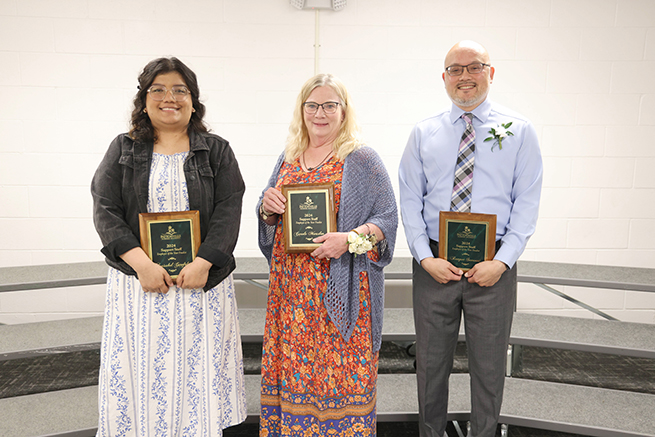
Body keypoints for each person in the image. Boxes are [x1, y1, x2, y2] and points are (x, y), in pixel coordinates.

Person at [91, 57, 247, 436]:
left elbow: (230, 207)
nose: (169, 97)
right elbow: (104, 206)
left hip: (201, 286)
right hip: (141, 287)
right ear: (144, 101)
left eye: (180, 90)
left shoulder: (216, 150)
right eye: (158, 89)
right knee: (141, 377)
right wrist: (141, 264)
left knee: (196, 379)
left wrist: (205, 262)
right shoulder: (123, 148)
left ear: (193, 101)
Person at [398, 41, 543, 437]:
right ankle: (431, 432)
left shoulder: (519, 131)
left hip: (493, 267)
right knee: (430, 364)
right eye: (455, 69)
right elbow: (409, 199)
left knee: (489, 365)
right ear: (444, 78)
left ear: (490, 73)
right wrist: (424, 257)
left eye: (474, 67)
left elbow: (526, 202)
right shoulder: (423, 133)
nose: (465, 76)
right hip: (434, 265)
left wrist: (503, 261)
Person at [257, 73, 398, 436]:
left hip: (341, 295)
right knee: (296, 382)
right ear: (302, 110)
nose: (320, 113)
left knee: (341, 382)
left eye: (330, 105)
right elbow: (271, 218)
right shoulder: (288, 157)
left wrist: (349, 240)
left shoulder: (361, 158)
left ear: (343, 110)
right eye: (312, 105)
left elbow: (387, 222)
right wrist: (265, 209)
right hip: (292, 300)